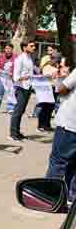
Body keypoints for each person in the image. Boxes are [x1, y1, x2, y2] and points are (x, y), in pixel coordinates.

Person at [46, 65, 76, 204]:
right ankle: (72, 197)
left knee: (58, 162)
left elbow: (61, 89)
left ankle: (51, 197)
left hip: (70, 125)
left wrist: (60, 78)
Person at [10, 40, 37, 142]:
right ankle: (13, 133)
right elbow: (16, 77)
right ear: (25, 47)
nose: (34, 48)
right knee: (17, 111)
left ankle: (17, 132)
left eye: (34, 46)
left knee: (21, 111)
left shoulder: (30, 58)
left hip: (28, 87)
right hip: (21, 88)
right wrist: (26, 77)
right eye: (32, 46)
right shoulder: (19, 59)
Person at [38, 54, 61, 132]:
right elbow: (45, 76)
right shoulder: (47, 67)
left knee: (50, 108)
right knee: (45, 107)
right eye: (55, 60)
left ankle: (47, 125)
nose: (56, 61)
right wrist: (53, 74)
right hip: (47, 88)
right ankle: (41, 125)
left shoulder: (56, 67)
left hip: (54, 88)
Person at [0, 44, 17, 114]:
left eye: (9, 48)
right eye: (6, 48)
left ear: (12, 49)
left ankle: (10, 108)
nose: (7, 50)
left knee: (10, 93)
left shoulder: (16, 57)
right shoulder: (0, 56)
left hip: (10, 79)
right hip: (1, 78)